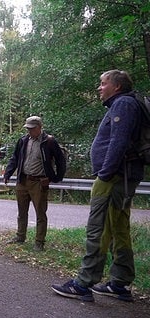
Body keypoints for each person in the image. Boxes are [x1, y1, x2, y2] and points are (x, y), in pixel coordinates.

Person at [51, 70, 144, 302]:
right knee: (119, 229)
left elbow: (118, 141)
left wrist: (105, 173)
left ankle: (83, 283)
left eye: (103, 84)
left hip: (113, 178)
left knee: (98, 228)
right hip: (122, 176)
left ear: (117, 86)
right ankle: (119, 283)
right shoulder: (128, 103)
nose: (99, 88)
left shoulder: (123, 104)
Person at [3, 116, 67, 251]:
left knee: (40, 213)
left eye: (31, 129)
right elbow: (15, 158)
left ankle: (39, 242)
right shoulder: (23, 140)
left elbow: (61, 160)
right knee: (22, 211)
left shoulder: (49, 141)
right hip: (23, 180)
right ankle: (20, 236)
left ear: (39, 127)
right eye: (28, 129)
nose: (29, 131)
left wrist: (56, 177)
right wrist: (8, 173)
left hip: (39, 182)